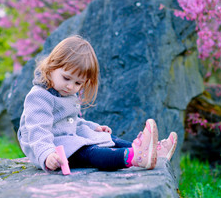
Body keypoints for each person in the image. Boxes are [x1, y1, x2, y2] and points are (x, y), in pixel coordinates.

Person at [17, 35, 178, 172]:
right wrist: (46, 154)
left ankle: (152, 151)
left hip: (68, 138)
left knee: (107, 138)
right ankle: (133, 157)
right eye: (66, 78)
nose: (71, 86)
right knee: (91, 152)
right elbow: (37, 130)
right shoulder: (39, 96)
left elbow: (70, 121)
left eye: (78, 83)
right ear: (52, 66)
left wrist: (93, 127)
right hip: (53, 149)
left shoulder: (64, 92)